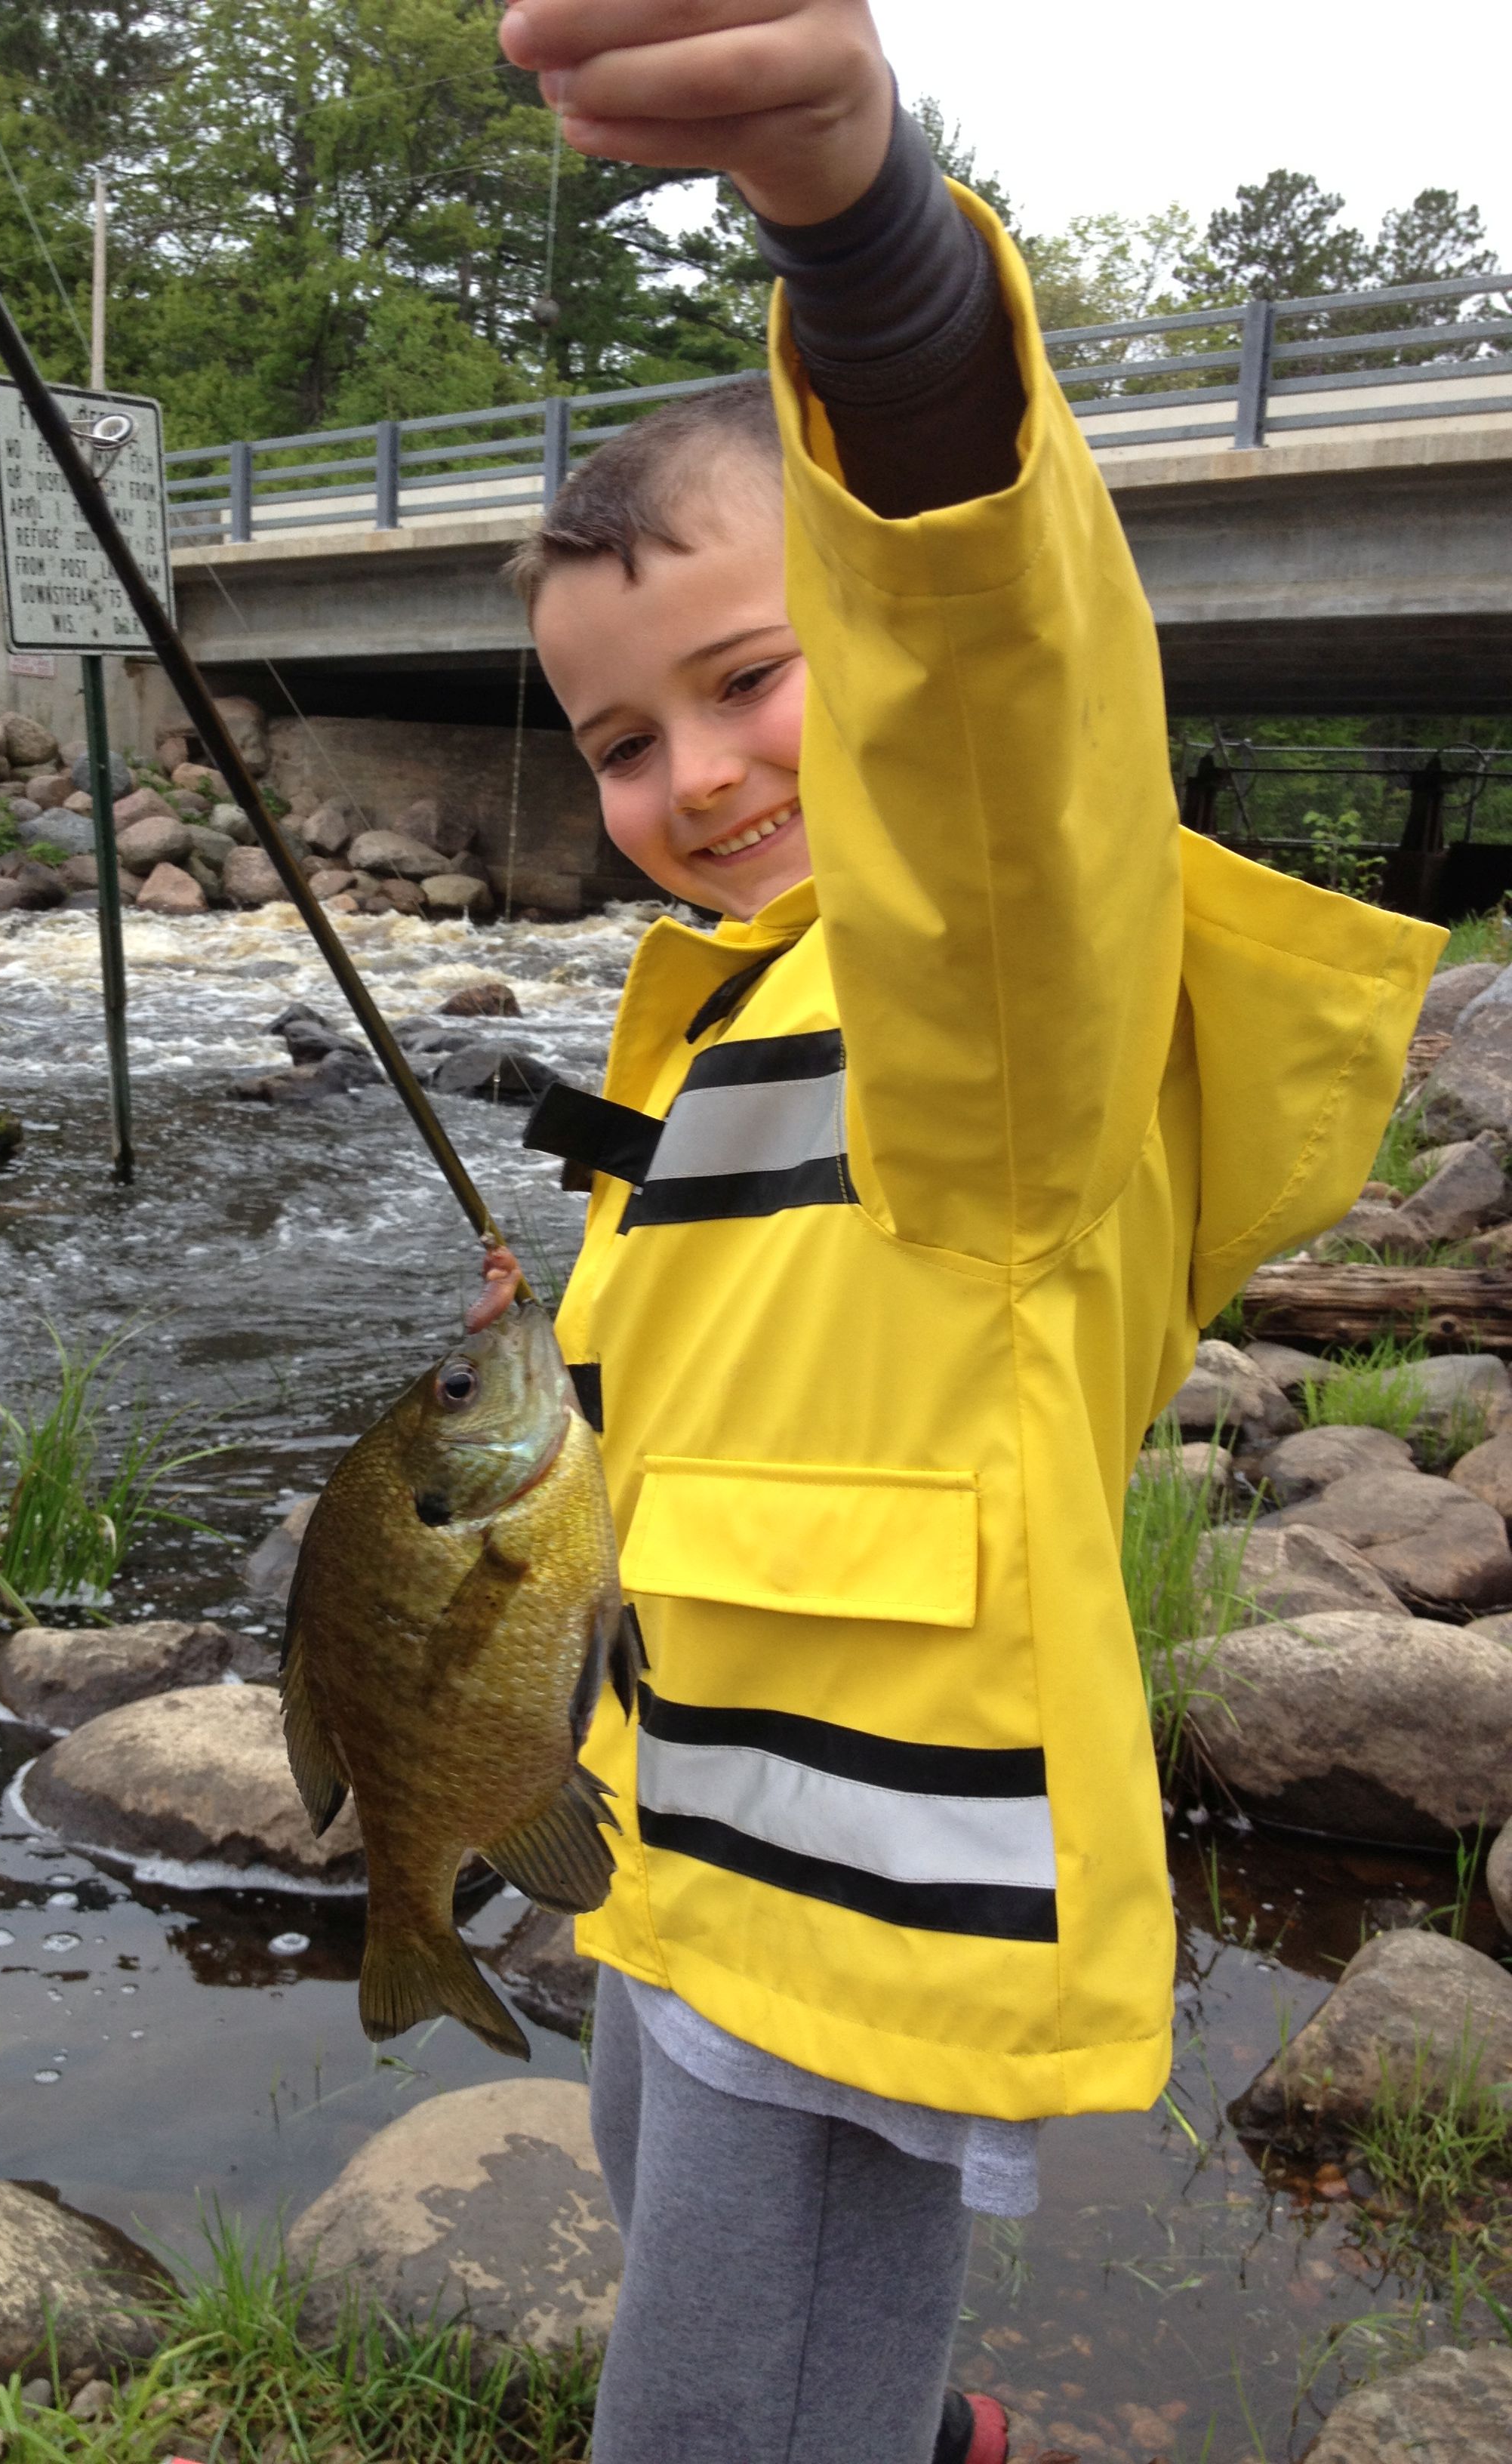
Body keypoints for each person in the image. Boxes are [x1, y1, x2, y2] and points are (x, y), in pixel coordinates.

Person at [476, 5, 1446, 2459]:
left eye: (752, 681)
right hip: (693, 1818)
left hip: (857, 1907)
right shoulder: (722, 1015)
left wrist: (865, 252)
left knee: (715, 2407)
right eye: (617, 738)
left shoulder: (984, 989)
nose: (690, 778)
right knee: (662, 2215)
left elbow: (998, 708)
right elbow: (748, 1351)